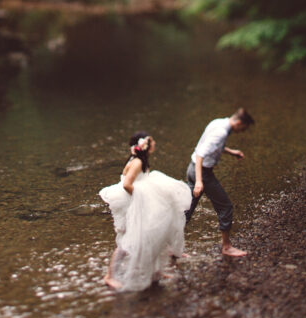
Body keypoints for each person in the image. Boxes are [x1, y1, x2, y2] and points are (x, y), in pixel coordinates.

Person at [99, 132, 192, 291]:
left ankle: (155, 272)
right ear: (145, 146)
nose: (154, 143)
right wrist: (144, 199)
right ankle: (109, 276)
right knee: (126, 240)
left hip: (136, 201)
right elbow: (127, 185)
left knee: (151, 235)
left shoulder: (141, 161)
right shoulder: (136, 163)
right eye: (152, 141)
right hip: (130, 203)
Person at [185, 108, 255, 257]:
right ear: (239, 123)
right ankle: (227, 247)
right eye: (244, 128)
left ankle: (171, 246)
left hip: (191, 169)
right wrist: (199, 181)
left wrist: (231, 152)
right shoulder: (221, 132)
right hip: (202, 172)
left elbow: (212, 145)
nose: (242, 131)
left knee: (186, 211)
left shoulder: (218, 122)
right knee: (225, 206)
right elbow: (200, 154)